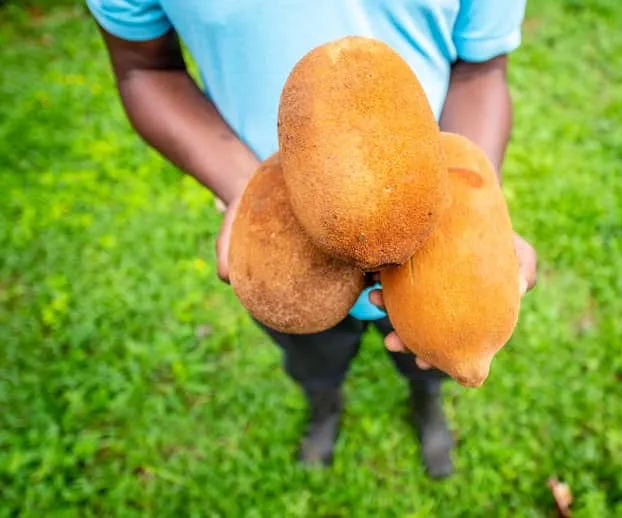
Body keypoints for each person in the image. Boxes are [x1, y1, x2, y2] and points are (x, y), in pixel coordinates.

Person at [86, 0, 538, 479]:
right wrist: (243, 189)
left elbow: (481, 69)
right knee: (309, 347)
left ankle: (426, 402)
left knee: (428, 355)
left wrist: (467, 209)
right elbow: (143, 67)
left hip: (423, 214)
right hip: (278, 216)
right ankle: (324, 406)